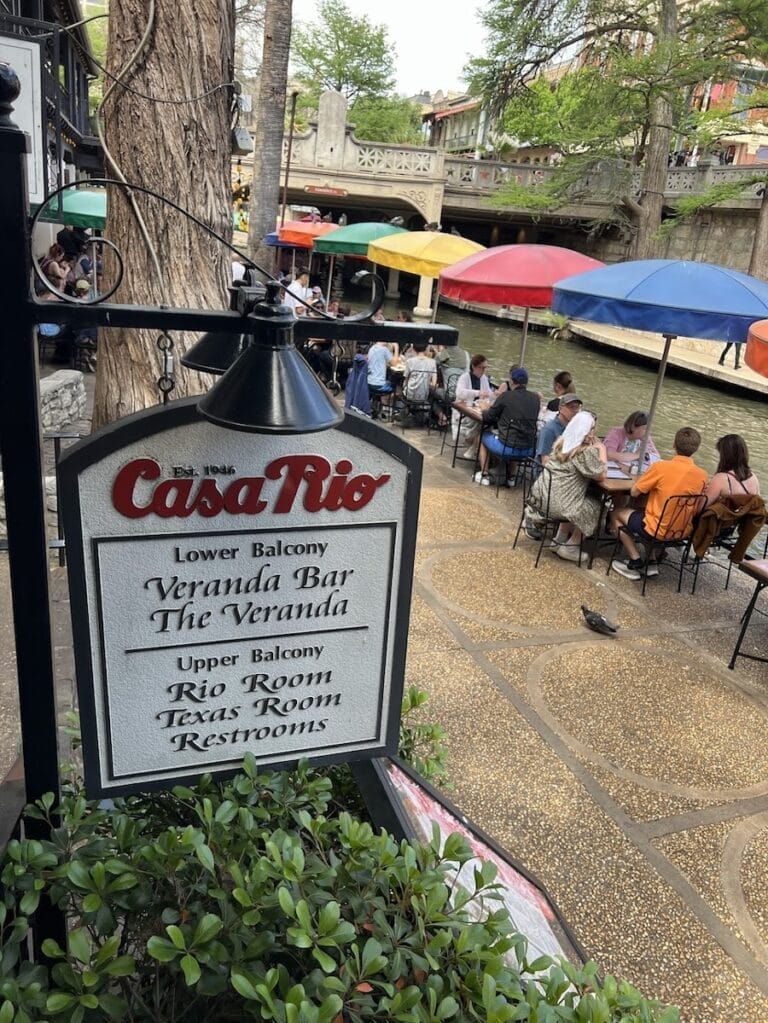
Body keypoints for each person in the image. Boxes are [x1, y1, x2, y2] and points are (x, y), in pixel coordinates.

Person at [610, 427, 708, 580]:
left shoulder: (661, 467)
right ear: (696, 448)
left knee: (616, 514)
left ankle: (635, 560)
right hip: (681, 530)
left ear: (674, 445)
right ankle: (651, 561)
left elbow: (635, 492)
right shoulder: (702, 475)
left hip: (657, 528)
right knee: (647, 511)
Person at [525, 411, 607, 562]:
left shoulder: (561, 443)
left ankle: (559, 540)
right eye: (592, 428)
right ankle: (571, 547)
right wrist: (602, 450)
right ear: (585, 430)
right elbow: (602, 475)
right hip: (558, 506)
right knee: (597, 505)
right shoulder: (584, 452)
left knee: (574, 496)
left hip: (541, 497)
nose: (593, 432)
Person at [474, 367, 540, 485]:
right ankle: (511, 478)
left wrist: (484, 409)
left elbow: (488, 417)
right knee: (518, 434)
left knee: (482, 436)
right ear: (526, 382)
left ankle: (484, 474)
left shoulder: (506, 396)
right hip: (528, 449)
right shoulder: (536, 399)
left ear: (511, 381)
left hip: (506, 448)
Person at [453, 354, 494, 460]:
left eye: (485, 367)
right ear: (474, 367)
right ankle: (475, 447)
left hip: (477, 409)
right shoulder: (465, 377)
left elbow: (488, 393)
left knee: (487, 424)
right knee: (483, 424)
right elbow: (460, 393)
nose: (484, 370)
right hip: (464, 411)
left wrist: (496, 394)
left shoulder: (484, 378)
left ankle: (475, 448)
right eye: (482, 367)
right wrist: (477, 393)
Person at [703, 434, 760, 507]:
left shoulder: (721, 478)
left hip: (726, 518)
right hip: (747, 518)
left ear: (724, 456)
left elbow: (700, 509)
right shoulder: (753, 477)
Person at [535, 393, 583, 466]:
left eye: (577, 407)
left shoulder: (576, 428)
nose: (575, 410)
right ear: (560, 408)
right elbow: (545, 460)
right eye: (571, 407)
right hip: (549, 471)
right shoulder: (549, 430)